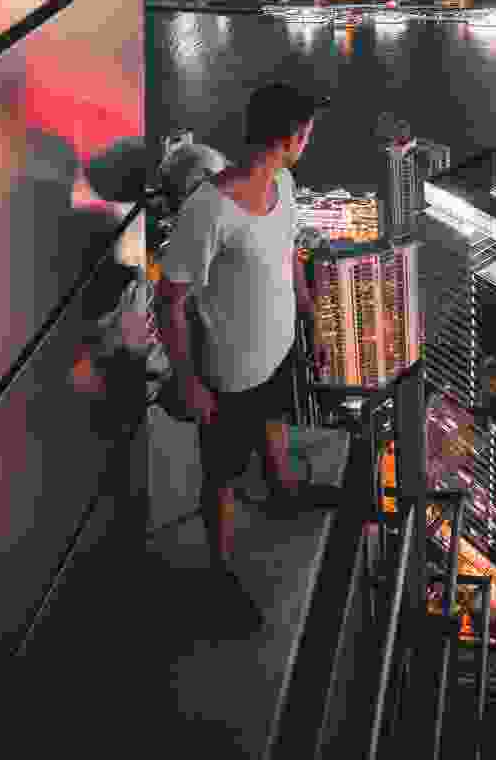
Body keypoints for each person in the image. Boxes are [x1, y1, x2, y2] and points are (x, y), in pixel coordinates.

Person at [155, 83, 342, 633]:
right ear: (290, 137)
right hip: (229, 371)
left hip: (279, 347)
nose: (309, 140)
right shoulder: (208, 209)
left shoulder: (284, 185)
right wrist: (188, 380)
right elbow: (171, 301)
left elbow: (289, 259)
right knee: (221, 478)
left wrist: (311, 318)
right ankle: (220, 574)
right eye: (306, 132)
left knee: (277, 420)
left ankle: (284, 488)